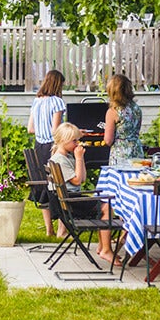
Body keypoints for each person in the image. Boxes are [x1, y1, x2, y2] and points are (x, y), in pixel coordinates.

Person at [49, 122, 117, 265]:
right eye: (74, 140)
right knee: (106, 207)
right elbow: (77, 180)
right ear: (63, 140)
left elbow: (83, 178)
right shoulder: (60, 159)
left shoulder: (66, 156)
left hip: (69, 199)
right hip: (69, 202)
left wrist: (80, 159)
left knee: (103, 206)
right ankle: (105, 249)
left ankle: (102, 246)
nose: (77, 143)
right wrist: (79, 158)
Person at [27, 70, 67, 237]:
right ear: (58, 84)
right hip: (53, 147)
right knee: (60, 185)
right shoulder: (57, 102)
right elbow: (55, 130)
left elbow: (30, 129)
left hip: (38, 147)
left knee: (44, 186)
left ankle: (48, 230)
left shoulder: (36, 101)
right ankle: (61, 231)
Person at [103, 74, 144, 164]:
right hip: (137, 151)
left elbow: (108, 140)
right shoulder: (137, 108)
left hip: (121, 154)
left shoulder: (113, 112)